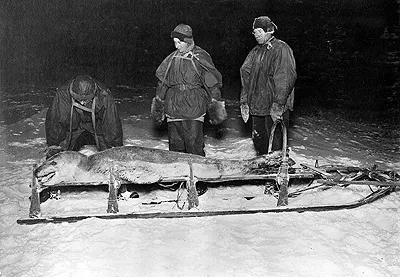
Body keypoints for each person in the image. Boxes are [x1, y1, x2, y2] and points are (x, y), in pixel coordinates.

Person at [152, 24, 226, 157]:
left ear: (187, 41)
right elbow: (162, 83)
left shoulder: (200, 57)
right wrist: (159, 105)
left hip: (194, 107)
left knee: (194, 147)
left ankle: (199, 175)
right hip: (173, 108)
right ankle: (178, 176)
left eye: (179, 42)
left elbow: (212, 85)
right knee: (175, 149)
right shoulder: (171, 59)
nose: (176, 46)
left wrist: (216, 108)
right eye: (175, 42)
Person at [240, 16, 297, 155]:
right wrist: (244, 101)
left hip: (273, 107)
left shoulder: (281, 49)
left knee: (276, 148)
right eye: (254, 32)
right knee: (260, 145)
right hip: (257, 107)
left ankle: (278, 173)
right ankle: (262, 174)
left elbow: (285, 78)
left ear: (269, 31)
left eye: (259, 31)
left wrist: (278, 104)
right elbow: (245, 77)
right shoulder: (255, 52)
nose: (256, 34)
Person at [45, 75, 123, 159]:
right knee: (60, 156)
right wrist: (54, 145)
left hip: (95, 127)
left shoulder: (104, 94)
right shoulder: (63, 93)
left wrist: (115, 147)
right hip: (74, 127)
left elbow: (111, 122)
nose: (82, 103)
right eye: (79, 99)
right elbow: (55, 120)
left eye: (86, 100)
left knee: (109, 156)